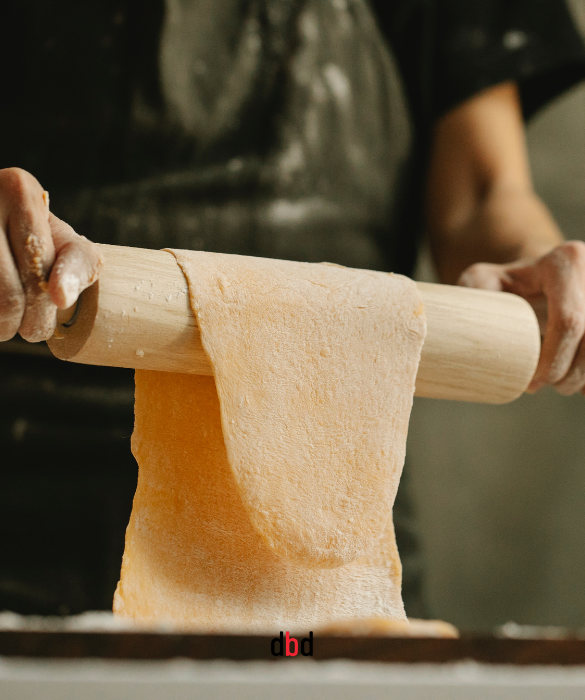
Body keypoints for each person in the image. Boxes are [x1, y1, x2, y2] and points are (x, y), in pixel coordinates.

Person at [1, 0, 584, 617]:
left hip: (330, 518)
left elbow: (483, 196)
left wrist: (538, 265)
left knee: (310, 663)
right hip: (19, 491)